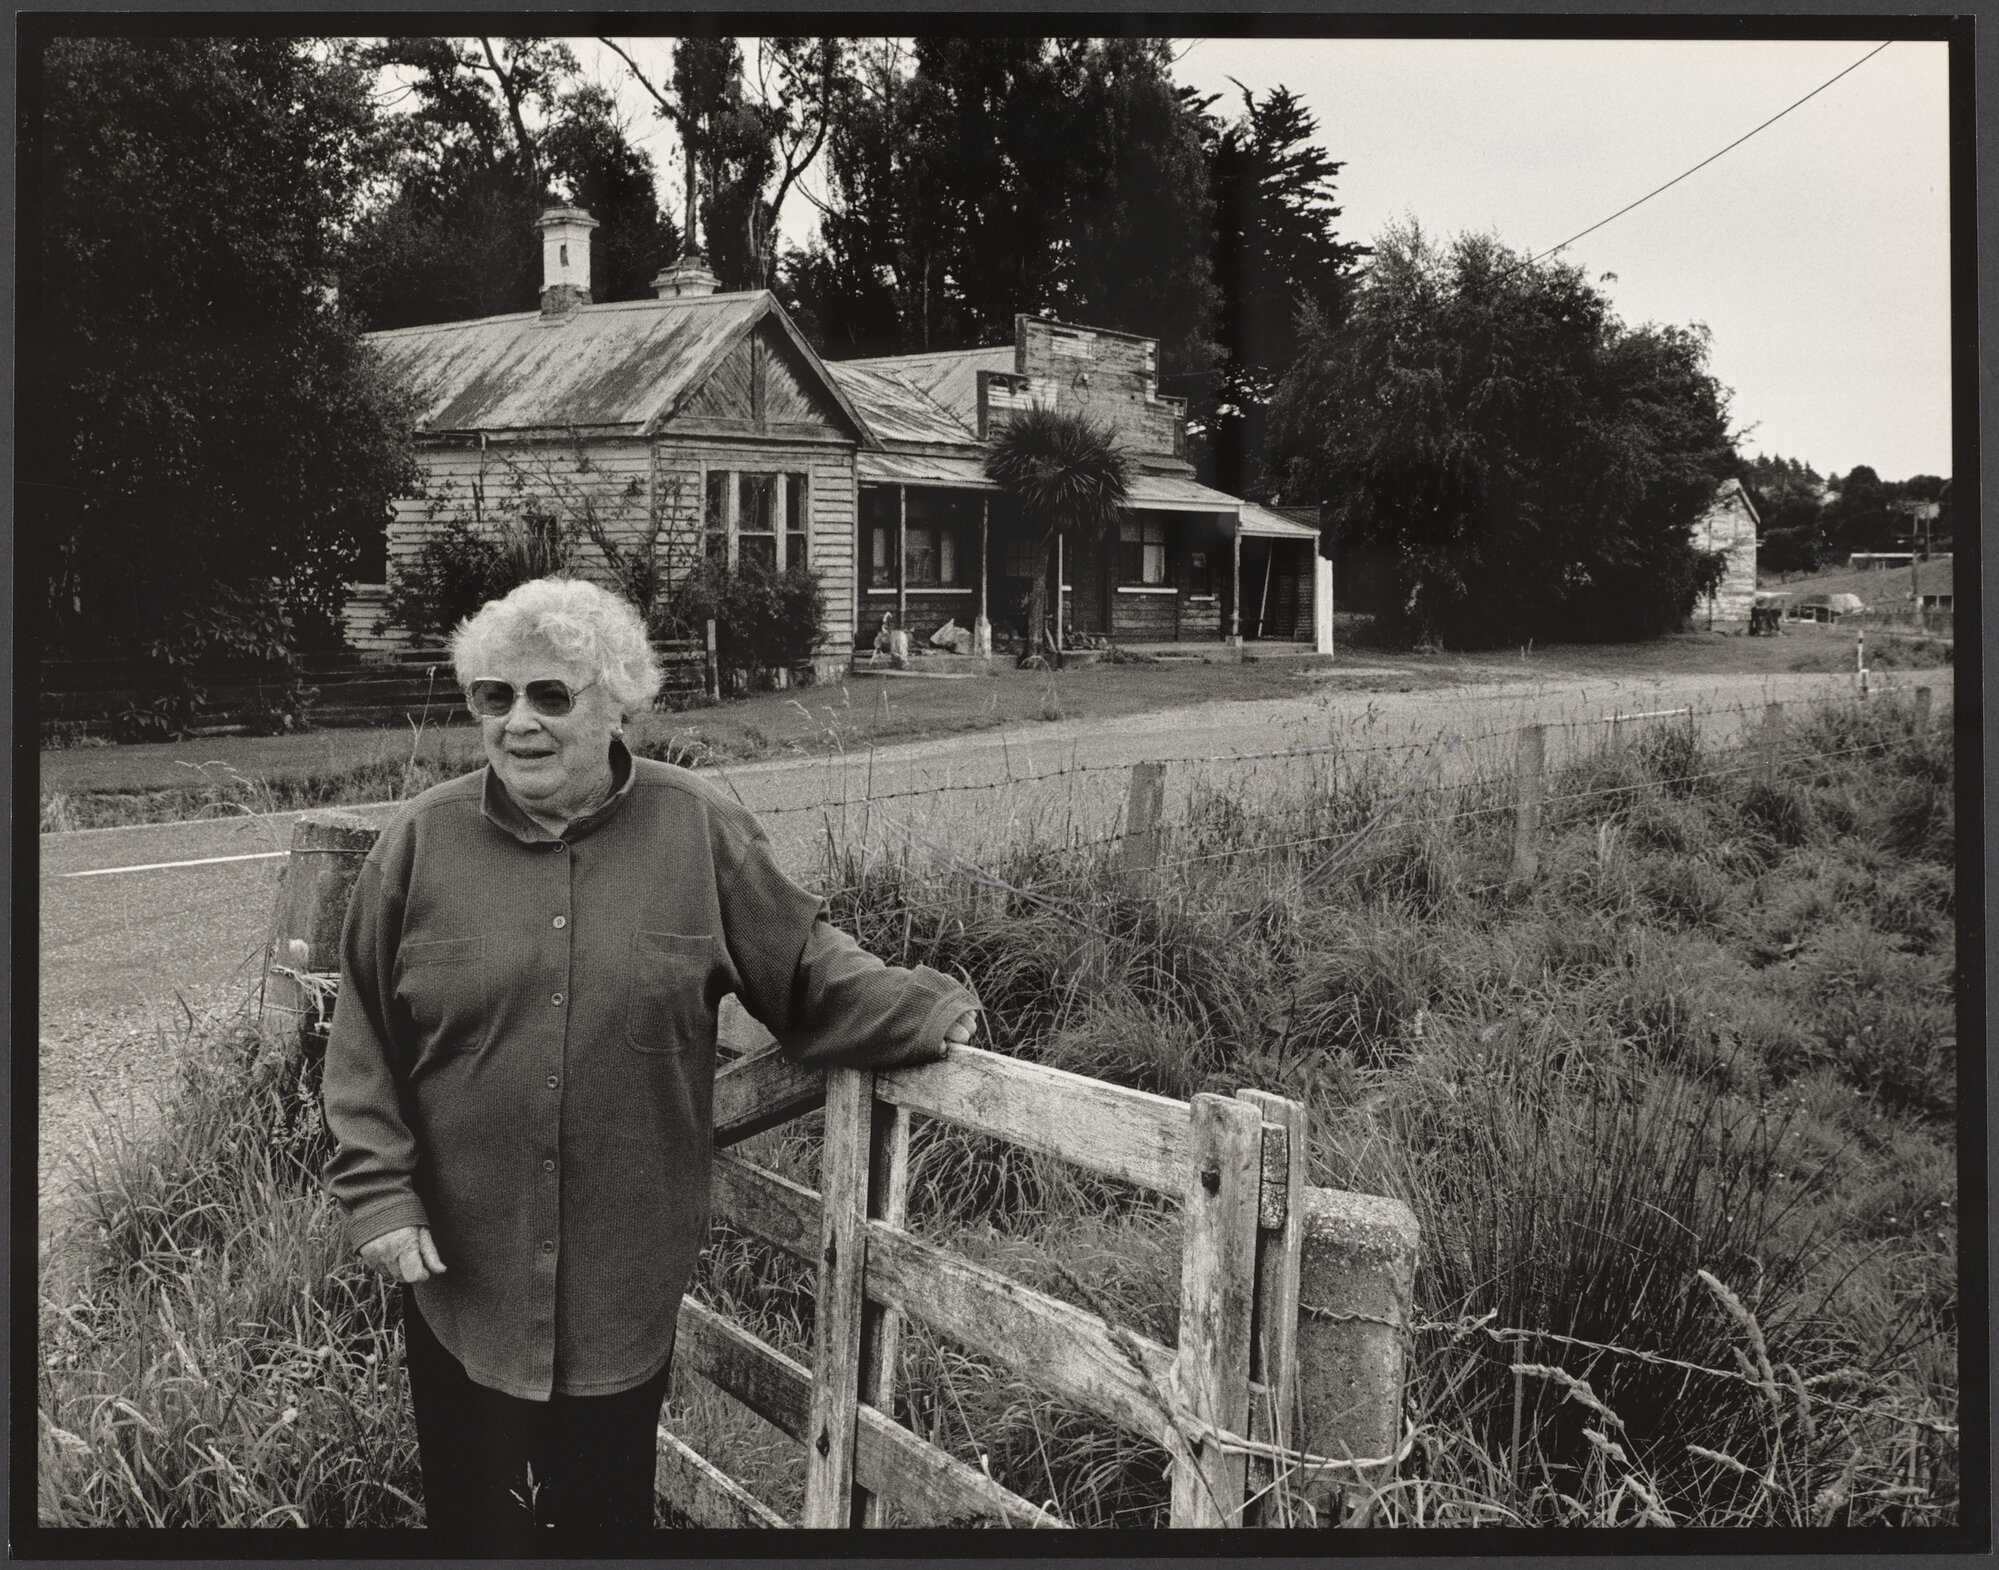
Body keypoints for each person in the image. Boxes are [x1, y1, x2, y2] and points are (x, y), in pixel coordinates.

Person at [321, 576, 978, 1540]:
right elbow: (364, 1035)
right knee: (472, 1520)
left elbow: (805, 972)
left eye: (552, 695)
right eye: (493, 698)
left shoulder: (696, 827)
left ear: (620, 702)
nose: (519, 724)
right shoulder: (420, 842)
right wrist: (376, 1190)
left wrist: (933, 1012)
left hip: (620, 1274)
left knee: (603, 1517)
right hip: (458, 1272)